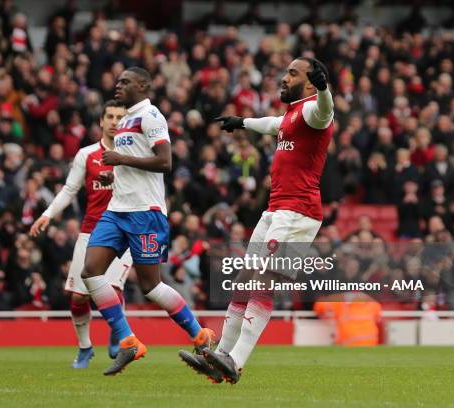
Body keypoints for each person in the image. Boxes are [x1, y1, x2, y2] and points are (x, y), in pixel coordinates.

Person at [182, 57, 334, 383]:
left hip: (298, 212)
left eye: (292, 73)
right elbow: (272, 124)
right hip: (277, 208)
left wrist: (324, 90)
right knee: (244, 281)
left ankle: (235, 361)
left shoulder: (312, 110)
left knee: (263, 283)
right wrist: (242, 122)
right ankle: (218, 356)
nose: (284, 77)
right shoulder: (293, 115)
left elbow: (326, 111)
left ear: (309, 82)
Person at [80, 67, 215, 376]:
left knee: (150, 286)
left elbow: (165, 162)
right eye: (117, 81)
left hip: (146, 213)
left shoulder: (151, 116)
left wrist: (121, 160)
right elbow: (132, 164)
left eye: (125, 82)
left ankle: (200, 334)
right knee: (91, 272)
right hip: (117, 210)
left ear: (142, 85)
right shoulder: (126, 120)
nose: (118, 85)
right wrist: (112, 173)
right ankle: (128, 342)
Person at [30, 100, 132, 368]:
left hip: (124, 232)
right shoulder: (86, 155)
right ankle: (85, 347)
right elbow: (69, 189)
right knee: (78, 296)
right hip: (91, 231)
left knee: (111, 288)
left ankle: (119, 335)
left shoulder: (135, 156)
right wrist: (48, 214)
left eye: (119, 117)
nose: (114, 121)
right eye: (109, 116)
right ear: (101, 121)